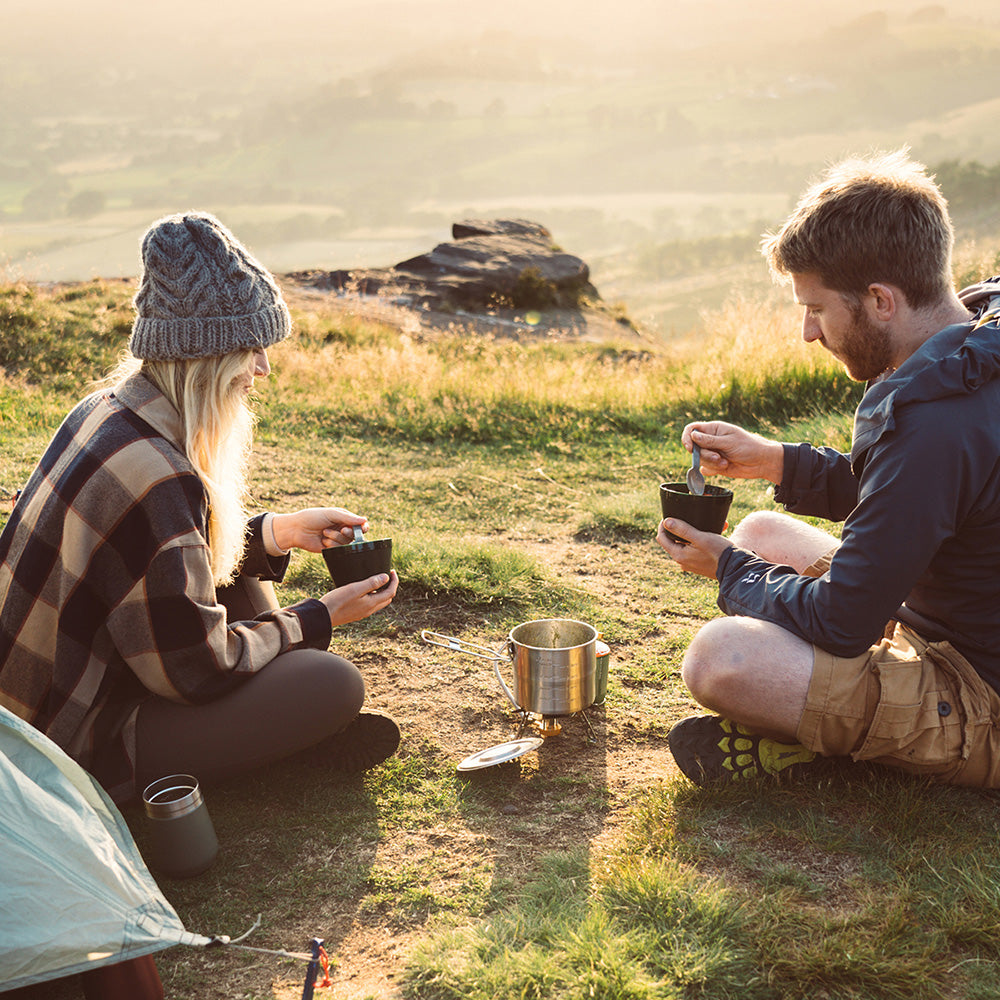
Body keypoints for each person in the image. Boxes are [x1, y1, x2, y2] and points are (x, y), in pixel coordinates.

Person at [0, 211, 401, 804]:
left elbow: (156, 562)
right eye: (251, 349)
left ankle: (292, 730)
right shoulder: (155, 475)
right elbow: (197, 671)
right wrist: (321, 615)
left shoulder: (106, 410)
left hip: (42, 691)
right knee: (331, 682)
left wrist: (274, 534)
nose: (262, 369)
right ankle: (299, 733)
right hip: (64, 739)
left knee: (249, 596)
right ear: (206, 357)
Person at [656, 149, 1000, 789]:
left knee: (719, 659)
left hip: (983, 693)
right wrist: (776, 461)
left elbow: (844, 622)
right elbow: (914, 495)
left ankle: (814, 739)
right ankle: (821, 722)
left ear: (880, 300)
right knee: (762, 531)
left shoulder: (938, 421)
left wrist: (725, 567)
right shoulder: (980, 332)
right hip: (945, 621)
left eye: (816, 308)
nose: (808, 333)